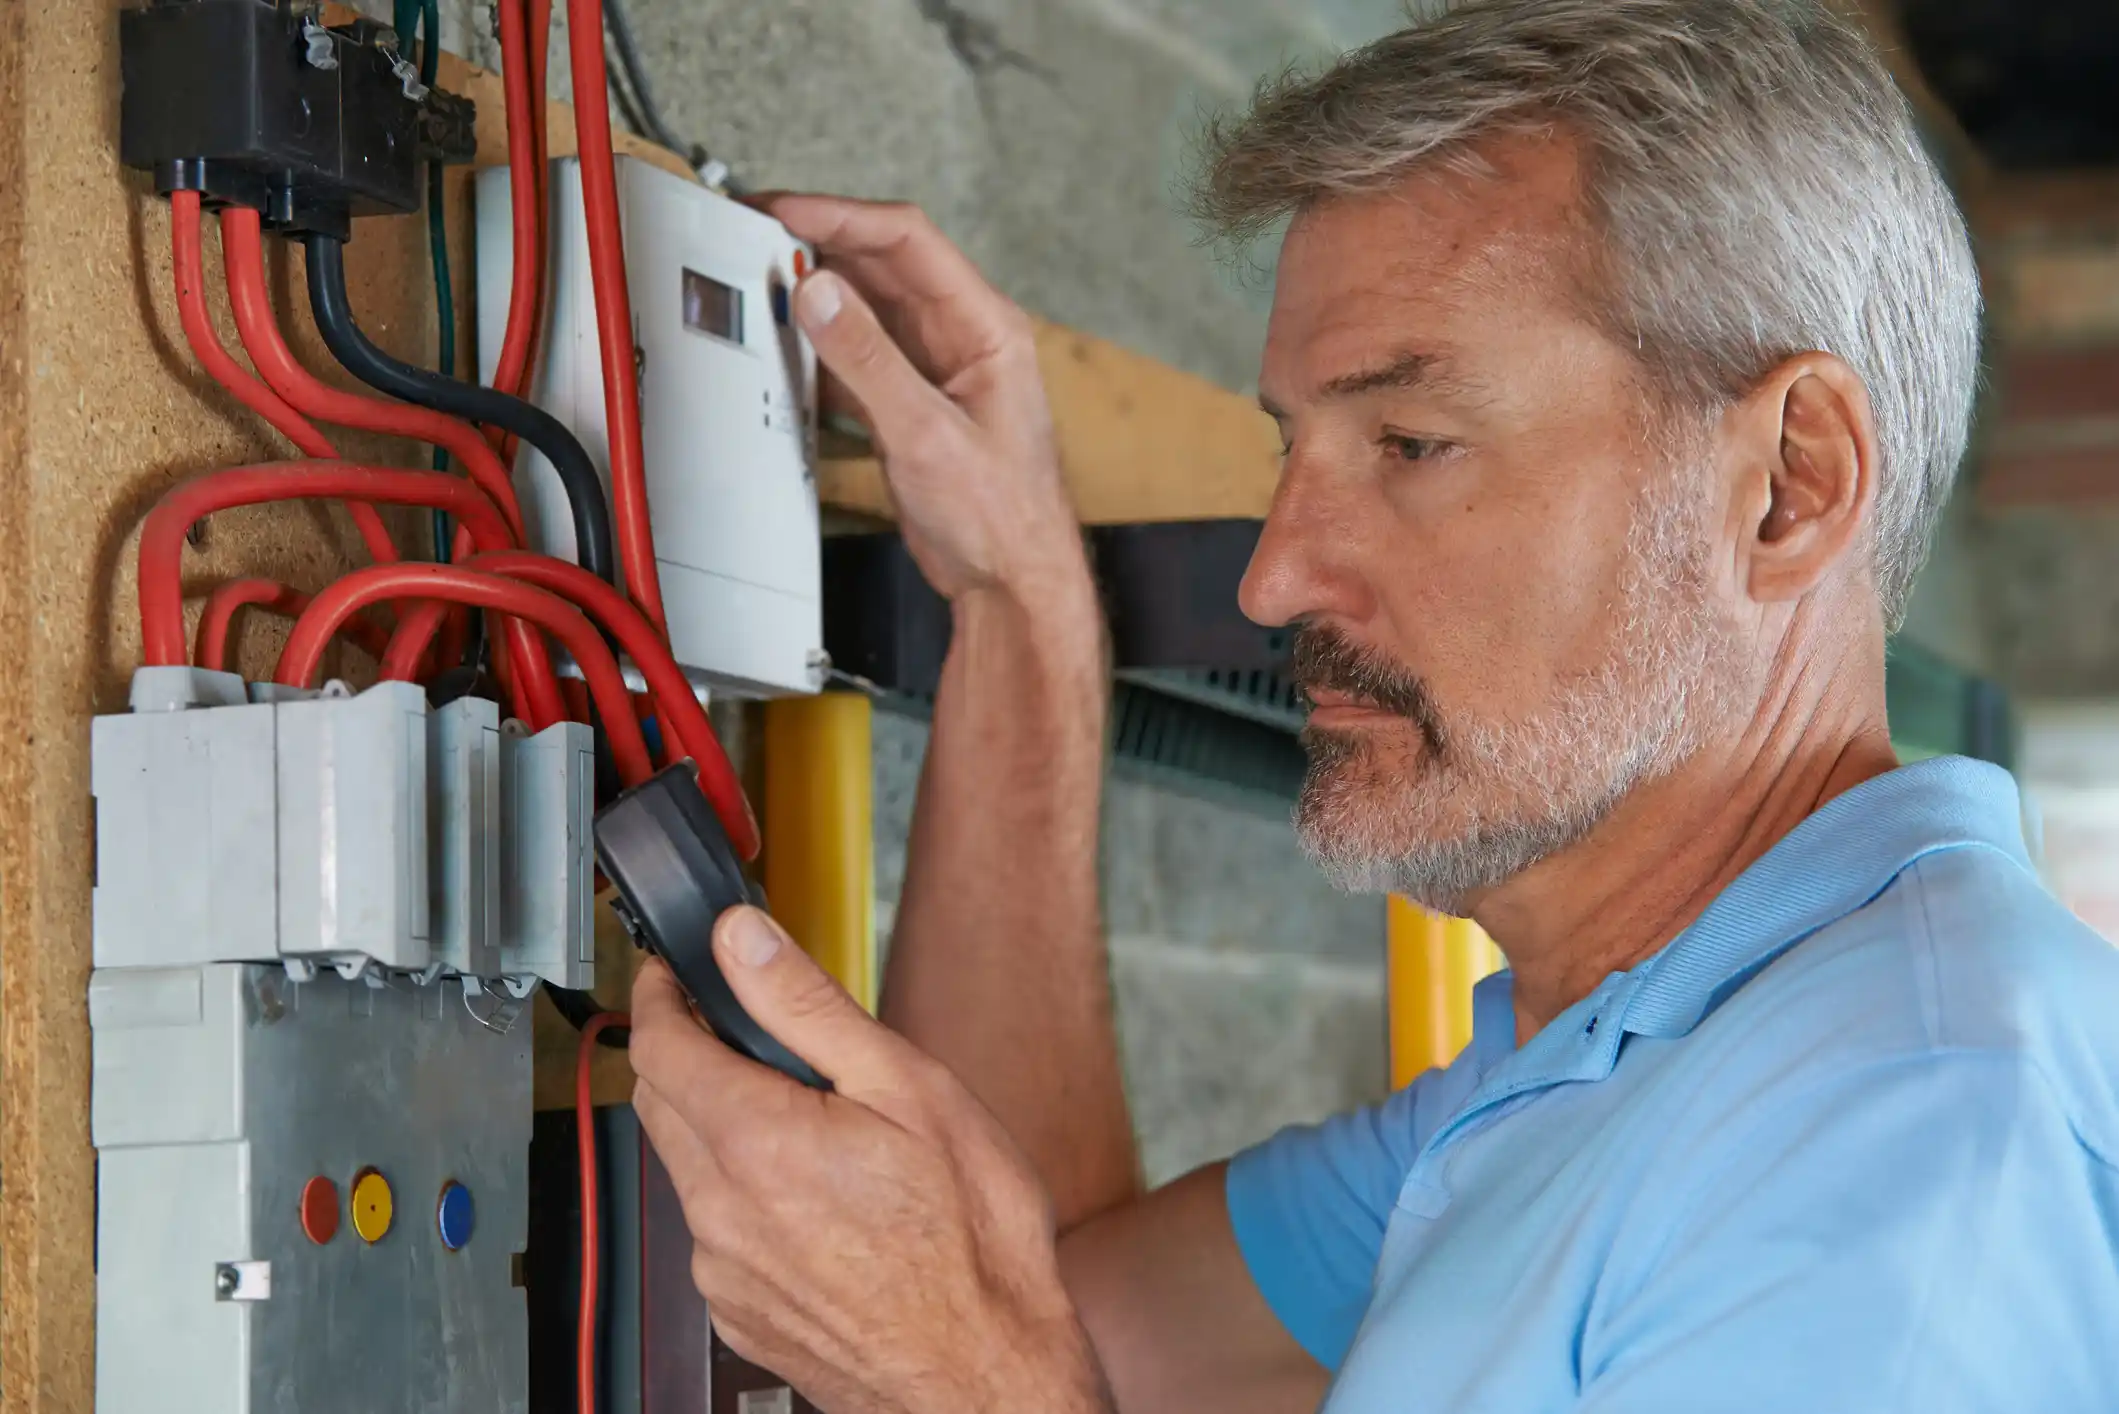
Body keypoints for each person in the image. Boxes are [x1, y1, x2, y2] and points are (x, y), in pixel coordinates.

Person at [624, 0, 2119, 1409]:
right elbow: (1070, 1321)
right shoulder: (1620, 1050)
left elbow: (1000, 1359)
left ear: (1787, 488)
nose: (1273, 579)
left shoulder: (1905, 1144)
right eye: (1297, 451)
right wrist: (1022, 608)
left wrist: (943, 1381)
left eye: (1410, 442)